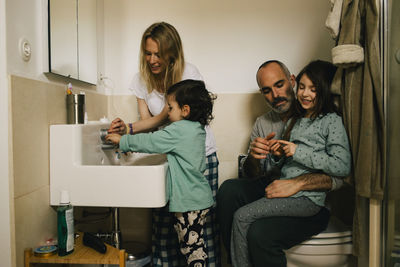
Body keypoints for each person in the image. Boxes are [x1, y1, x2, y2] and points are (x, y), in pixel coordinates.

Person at [108, 22, 220, 266]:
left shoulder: (188, 73)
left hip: (197, 156)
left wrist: (126, 139)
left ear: (172, 52)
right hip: (170, 155)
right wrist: (125, 129)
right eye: (148, 53)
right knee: (171, 227)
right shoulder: (142, 80)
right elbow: (147, 124)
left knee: (196, 235)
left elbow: (170, 121)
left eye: (158, 53)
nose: (152, 59)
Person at [217, 60, 347, 267]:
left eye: (279, 85)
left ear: (291, 81)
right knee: (228, 190)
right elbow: (252, 175)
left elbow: (341, 172)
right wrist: (254, 158)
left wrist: (298, 183)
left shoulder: (319, 116)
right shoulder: (264, 123)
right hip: (274, 186)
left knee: (257, 231)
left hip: (308, 198)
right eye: (267, 90)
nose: (275, 95)